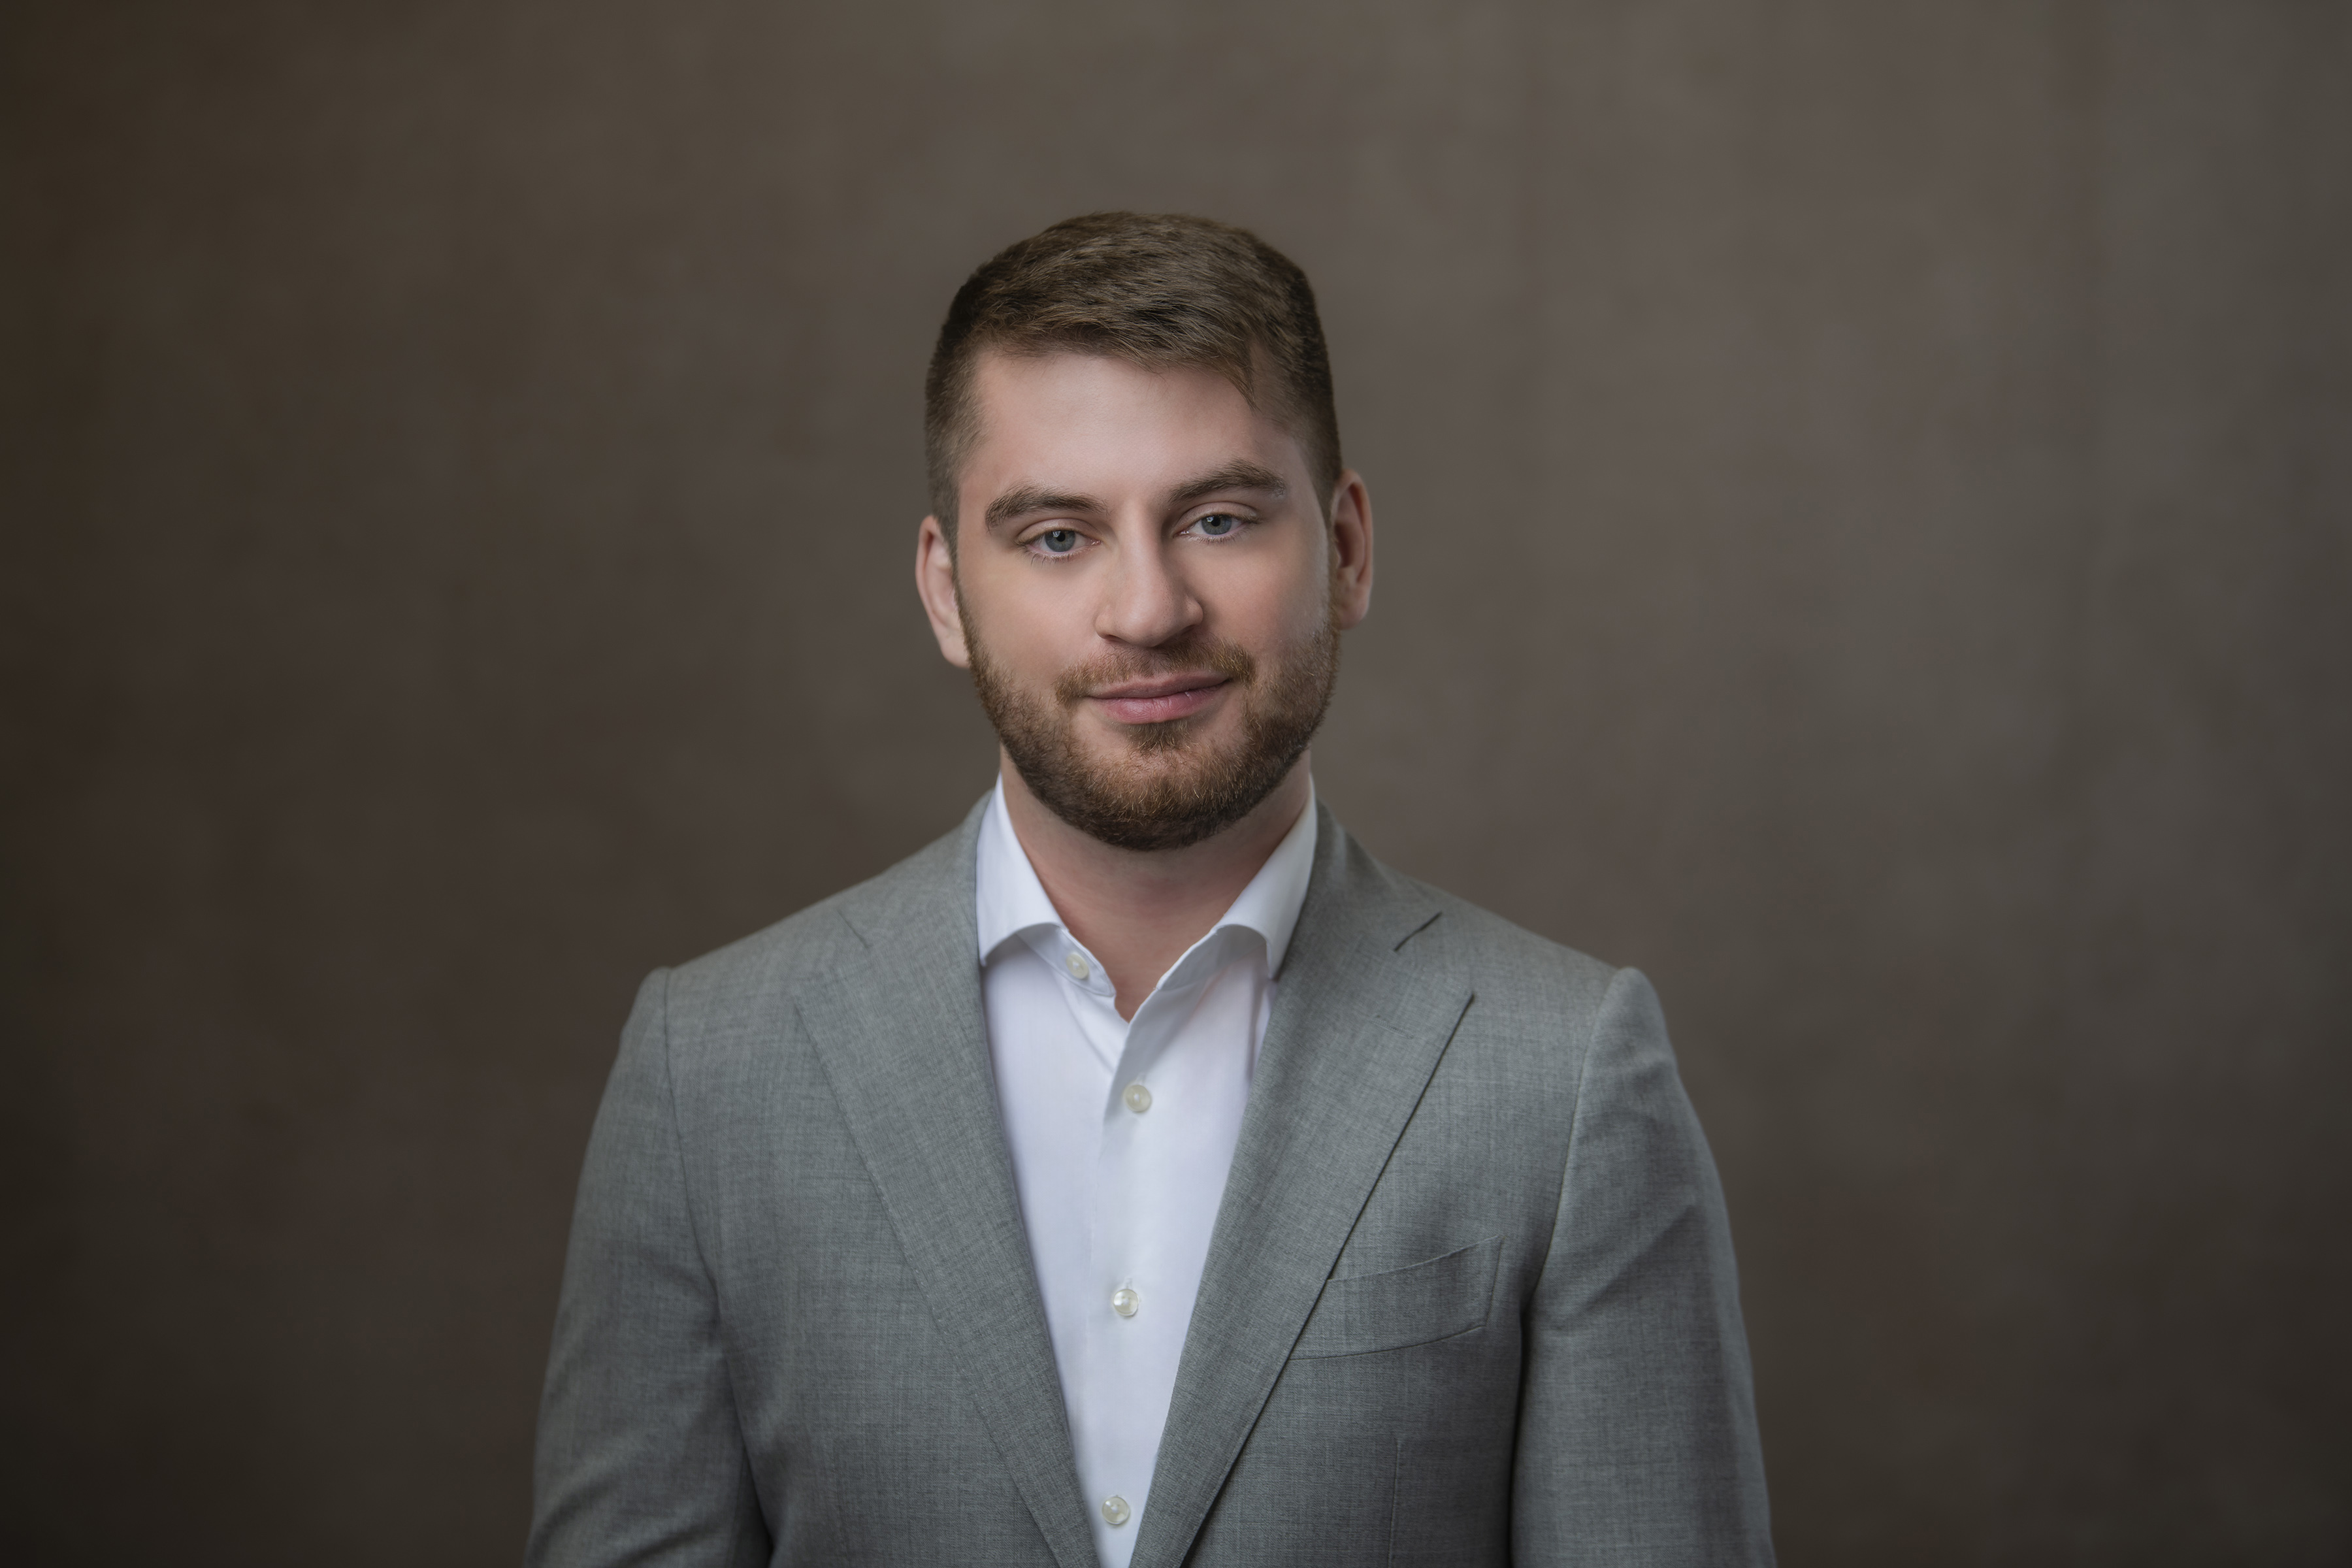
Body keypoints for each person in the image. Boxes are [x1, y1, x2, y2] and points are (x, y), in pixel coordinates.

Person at [525, 212, 1773, 1568]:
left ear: (1347, 550)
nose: (1147, 608)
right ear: (947, 592)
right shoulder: (709, 1076)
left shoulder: (1568, 1076)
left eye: (1220, 519)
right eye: (1058, 537)